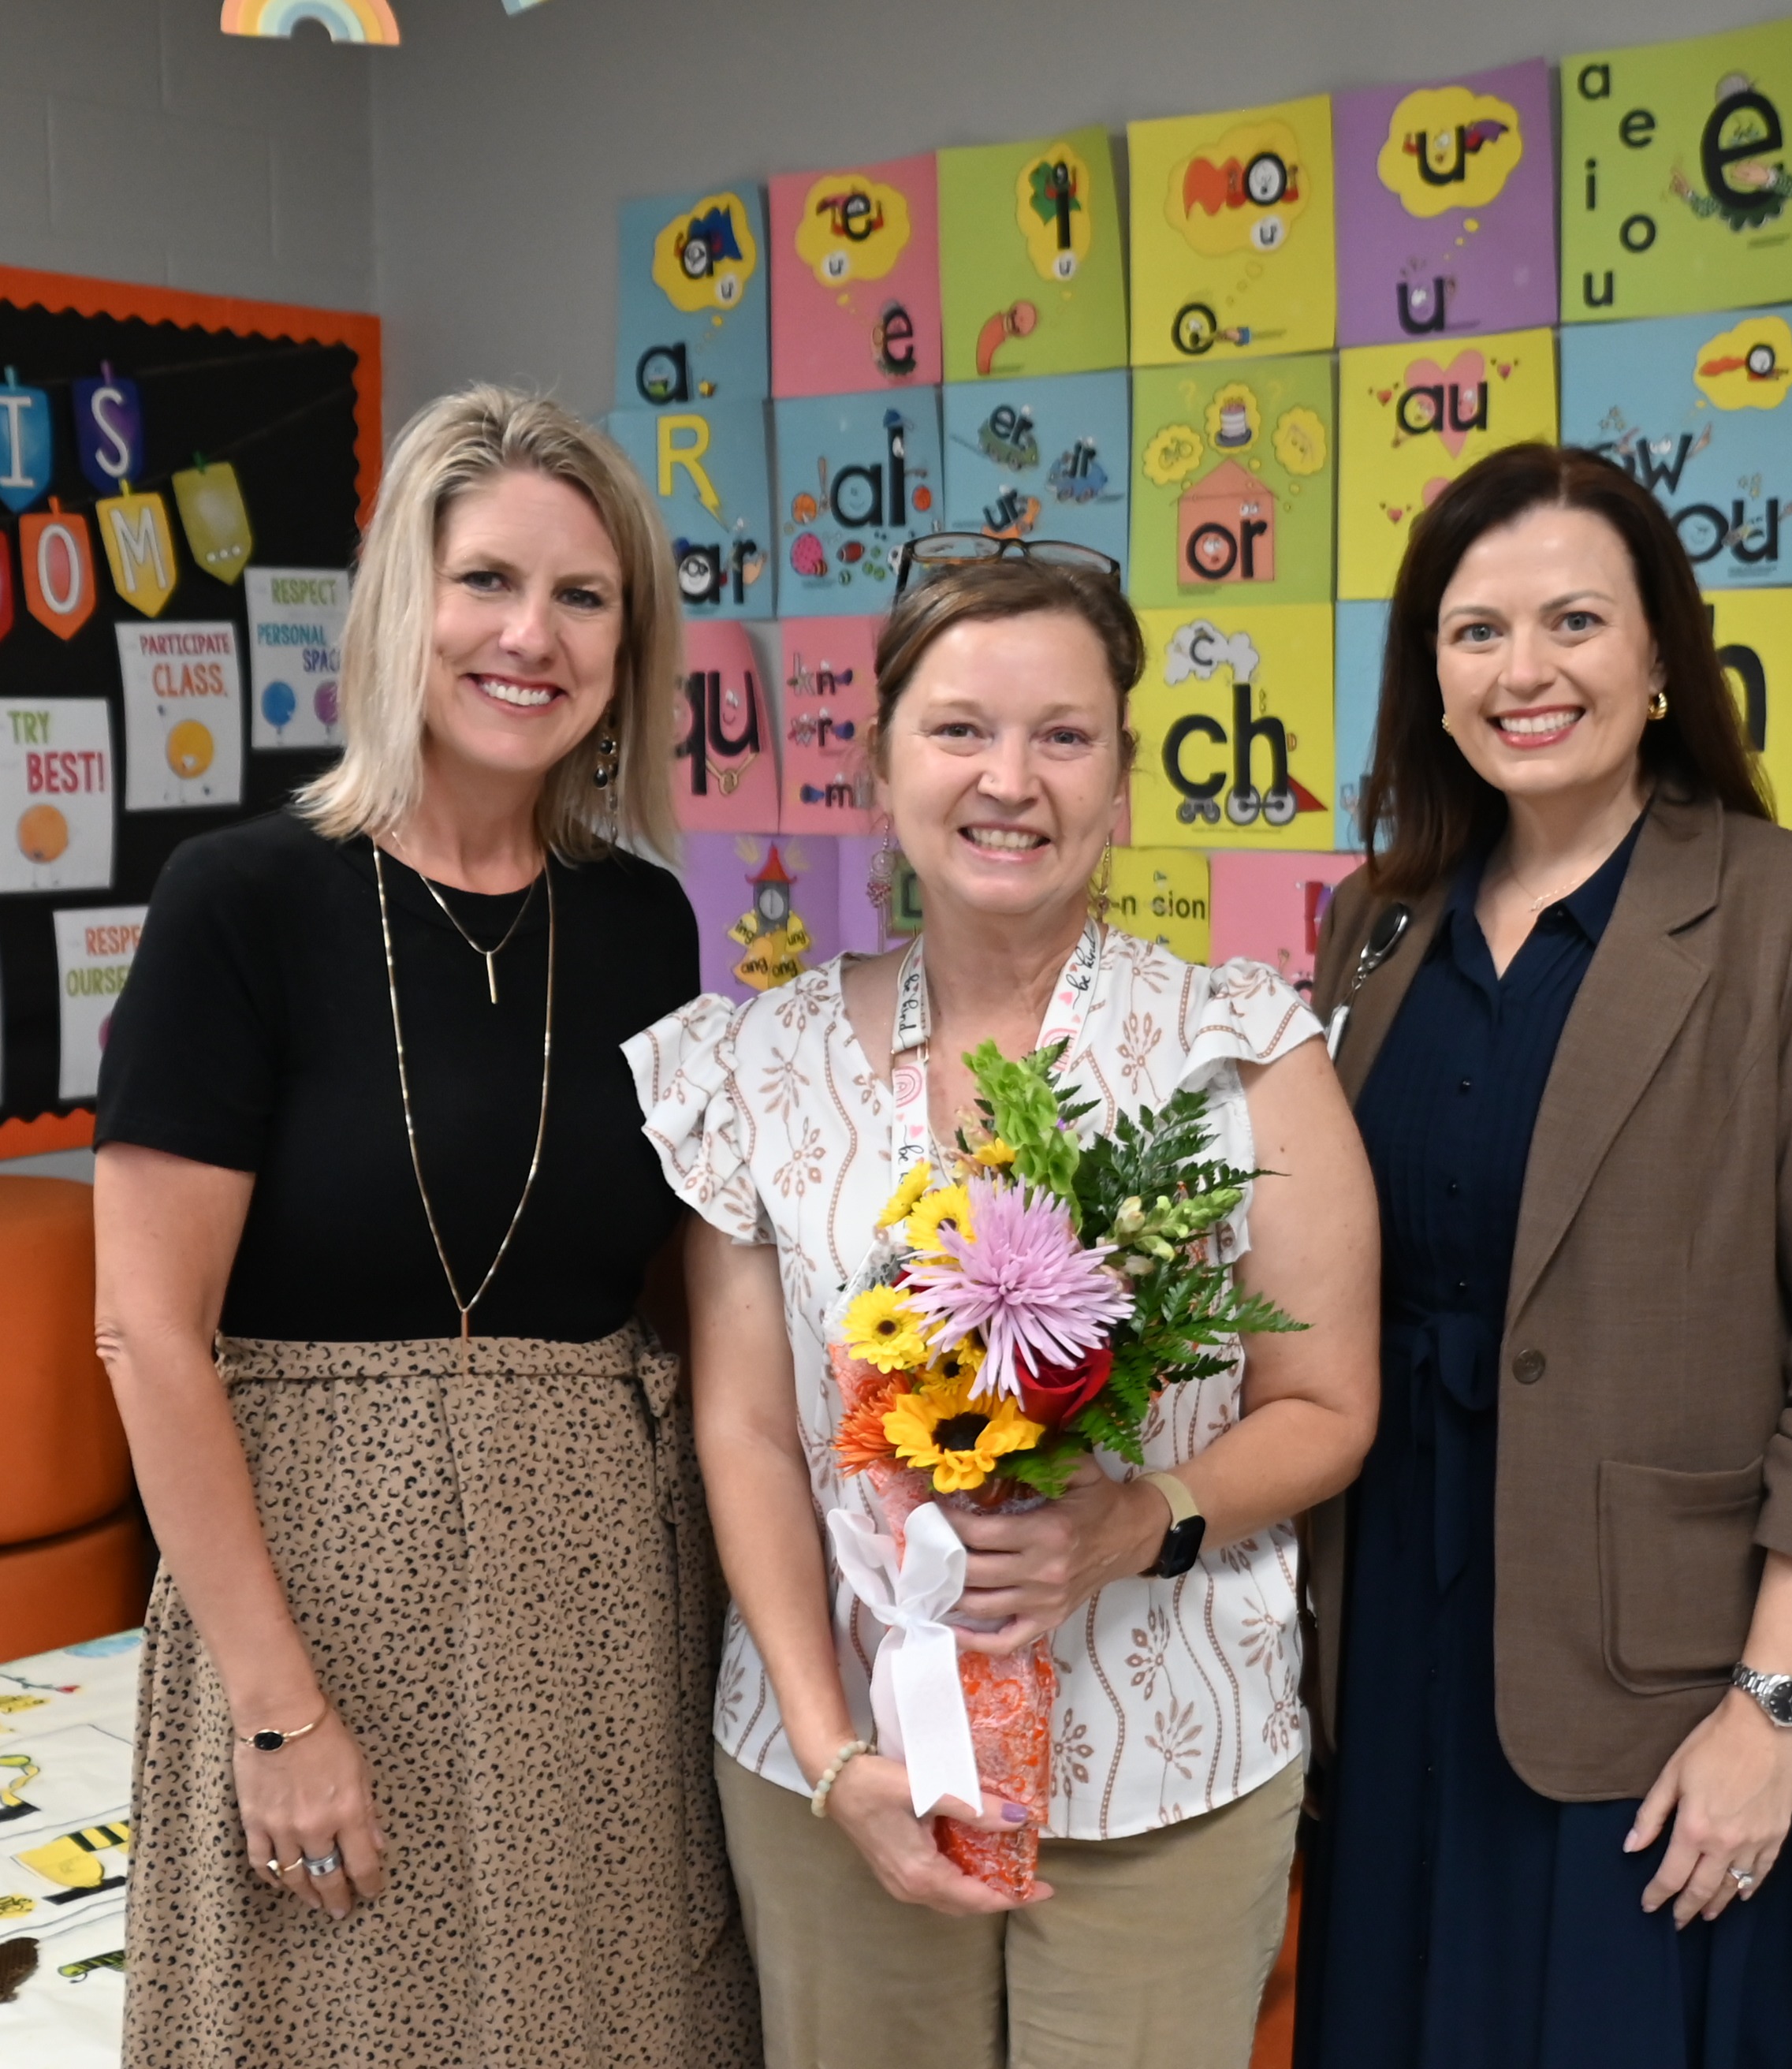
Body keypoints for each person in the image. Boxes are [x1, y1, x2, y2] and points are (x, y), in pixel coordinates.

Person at [625, 544, 1380, 2069]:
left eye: (1063, 736)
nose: (1008, 781)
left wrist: (1135, 1518)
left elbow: (1330, 1405)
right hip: (838, 1769)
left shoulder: (1238, 1050)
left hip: (1168, 1768)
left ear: (1120, 777)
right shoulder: (752, 1066)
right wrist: (833, 1754)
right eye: (960, 729)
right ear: (880, 761)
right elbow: (752, 1435)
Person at [93, 387, 758, 2067]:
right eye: (487, 582)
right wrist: (275, 1709)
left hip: (602, 1603)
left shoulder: (641, 923)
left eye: (582, 596)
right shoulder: (238, 900)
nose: (529, 635)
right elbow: (146, 1332)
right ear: (407, 599)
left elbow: (686, 1292)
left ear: (629, 643)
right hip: (313, 1596)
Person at [1295, 443, 1792, 2067]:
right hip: (1392, 1645)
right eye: (1473, 631)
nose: (1523, 671)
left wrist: (1770, 1714)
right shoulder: (1377, 922)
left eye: (1574, 620)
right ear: (1427, 673)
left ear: (1662, 654)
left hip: (1676, 1686)